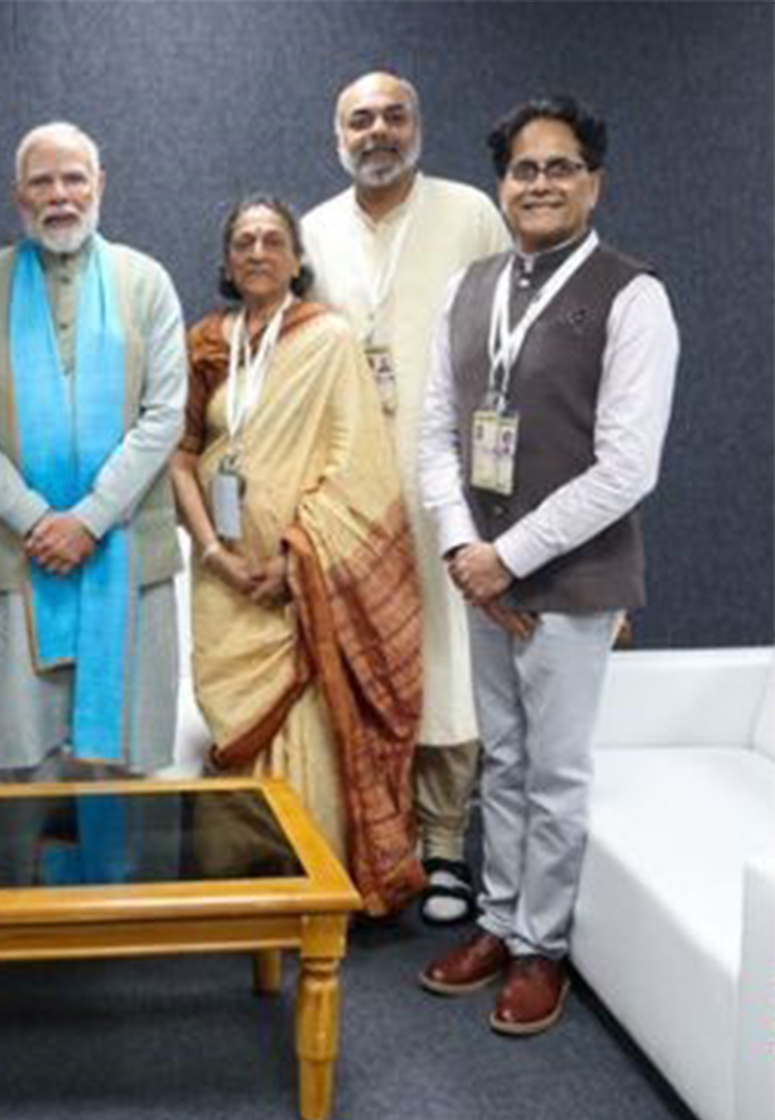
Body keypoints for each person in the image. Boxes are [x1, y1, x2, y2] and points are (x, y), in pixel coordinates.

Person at [417, 97, 678, 1035]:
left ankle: (541, 949)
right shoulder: (471, 287)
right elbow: (437, 437)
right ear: (502, 186)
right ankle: (498, 918)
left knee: (556, 771)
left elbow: (627, 466)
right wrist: (462, 550)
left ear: (593, 182)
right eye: (524, 170)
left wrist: (506, 559)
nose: (540, 184)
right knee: (507, 763)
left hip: (572, 584)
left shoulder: (632, 294)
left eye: (560, 167)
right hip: (484, 580)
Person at [0, 121, 185, 886]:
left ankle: (117, 903)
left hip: (122, 552)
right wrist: (34, 518)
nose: (59, 196)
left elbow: (165, 413)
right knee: (17, 747)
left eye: (74, 179)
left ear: (100, 185)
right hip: (12, 557)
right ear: (19, 195)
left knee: (117, 747)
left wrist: (88, 518)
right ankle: (12, 903)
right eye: (43, 182)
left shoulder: (147, 282)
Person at [171, 195, 426, 916]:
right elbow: (181, 455)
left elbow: (356, 461)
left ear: (295, 257)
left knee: (308, 718)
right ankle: (236, 875)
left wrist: (297, 556)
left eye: (271, 240)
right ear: (226, 260)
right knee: (233, 715)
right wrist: (214, 550)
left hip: (302, 576)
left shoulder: (328, 339)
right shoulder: (207, 344)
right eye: (243, 241)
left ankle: (308, 879)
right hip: (224, 573)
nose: (257, 252)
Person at [302, 71, 512, 925]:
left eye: (394, 116)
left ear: (418, 125)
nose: (377, 131)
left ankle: (445, 847)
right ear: (338, 134)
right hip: (350, 488)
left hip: (448, 485)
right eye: (360, 119)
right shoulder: (312, 230)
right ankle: (372, 841)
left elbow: (513, 341)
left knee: (448, 664)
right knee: (361, 663)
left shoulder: (469, 214)